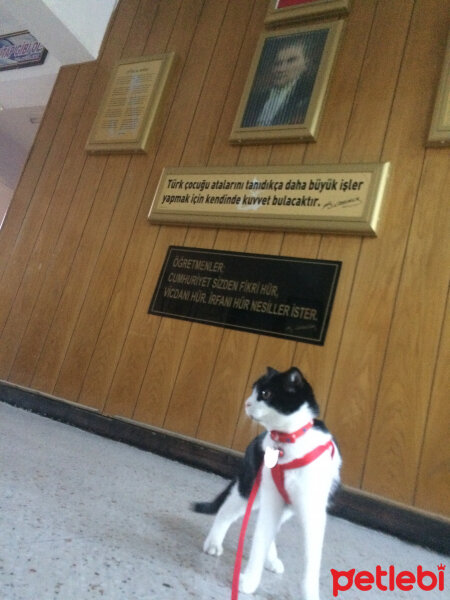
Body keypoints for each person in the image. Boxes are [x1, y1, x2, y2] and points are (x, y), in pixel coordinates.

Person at [241, 37, 313, 128]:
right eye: (277, 64)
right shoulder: (255, 99)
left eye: (291, 61)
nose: (280, 69)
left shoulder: (308, 96)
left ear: (306, 63)